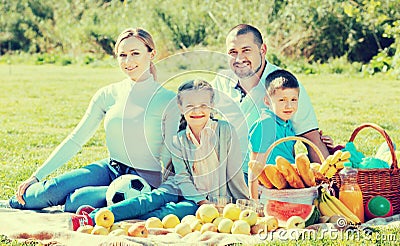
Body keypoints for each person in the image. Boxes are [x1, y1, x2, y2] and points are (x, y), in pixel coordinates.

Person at [8, 28, 180, 212]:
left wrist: (171, 191)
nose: (128, 61)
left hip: (144, 179)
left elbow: (171, 153)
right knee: (47, 191)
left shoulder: (168, 100)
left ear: (151, 54)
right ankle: (10, 204)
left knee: (77, 201)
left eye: (135, 53)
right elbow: (76, 139)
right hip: (110, 168)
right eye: (122, 55)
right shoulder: (107, 94)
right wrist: (36, 176)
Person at [69, 79, 249, 231]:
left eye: (203, 105)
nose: (197, 111)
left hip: (204, 201)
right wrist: (201, 201)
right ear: (180, 107)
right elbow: (182, 176)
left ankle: (109, 214)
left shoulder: (226, 131)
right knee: (148, 200)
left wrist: (244, 201)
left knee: (164, 214)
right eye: (190, 106)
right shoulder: (178, 139)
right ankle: (91, 218)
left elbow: (234, 171)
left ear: (212, 105)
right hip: (180, 188)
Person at [211, 24, 331, 183]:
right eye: (233, 52)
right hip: (229, 178)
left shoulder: (285, 84)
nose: (239, 59)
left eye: (246, 50)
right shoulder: (221, 83)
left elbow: (312, 139)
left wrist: (329, 184)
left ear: (263, 50)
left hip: (274, 181)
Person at [247, 69, 332, 199]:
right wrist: (254, 202)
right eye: (282, 100)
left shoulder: (287, 123)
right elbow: (254, 168)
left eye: (293, 99)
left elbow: (290, 157)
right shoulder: (266, 124)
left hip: (291, 184)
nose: (289, 105)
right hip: (273, 188)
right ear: (267, 101)